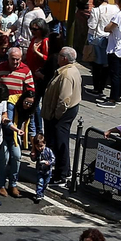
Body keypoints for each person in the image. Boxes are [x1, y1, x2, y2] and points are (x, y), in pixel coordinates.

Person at [42, 45, 82, 188]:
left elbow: (64, 99)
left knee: (60, 142)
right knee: (61, 141)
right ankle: (65, 170)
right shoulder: (72, 70)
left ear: (64, 58)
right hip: (69, 110)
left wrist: (56, 116)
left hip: (63, 113)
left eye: (59, 55)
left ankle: (61, 175)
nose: (57, 57)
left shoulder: (66, 75)